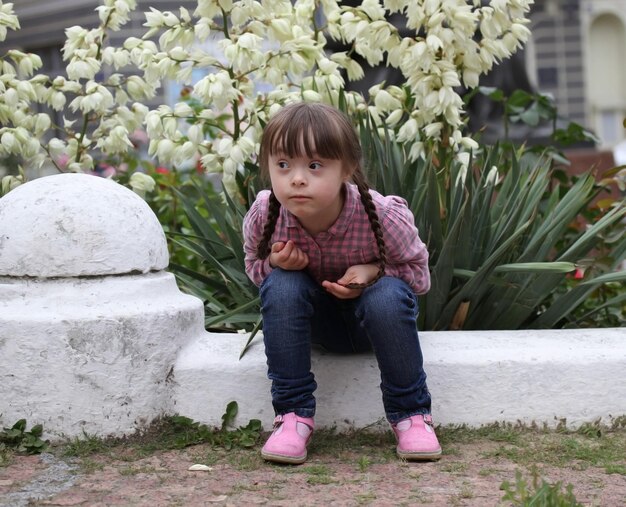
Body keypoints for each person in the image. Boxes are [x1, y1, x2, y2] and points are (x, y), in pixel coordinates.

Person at [243, 101, 441, 464]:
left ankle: (411, 415)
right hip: (316, 327)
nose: (297, 178)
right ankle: (292, 417)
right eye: (283, 165)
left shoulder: (381, 215)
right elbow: (254, 270)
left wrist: (371, 272)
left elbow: (419, 276)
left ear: (346, 168)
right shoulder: (265, 215)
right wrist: (275, 262)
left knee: (386, 295)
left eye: (315, 166)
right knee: (282, 284)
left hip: (374, 324)